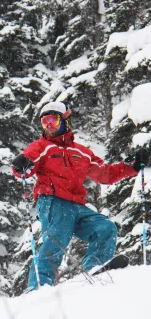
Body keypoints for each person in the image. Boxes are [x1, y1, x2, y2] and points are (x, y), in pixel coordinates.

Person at [11, 101, 149, 291]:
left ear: (65, 121)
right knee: (57, 240)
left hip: (77, 206)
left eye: (53, 120)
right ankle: (39, 288)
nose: (49, 126)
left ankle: (93, 270)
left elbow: (106, 174)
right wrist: (21, 166)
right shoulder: (42, 146)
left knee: (105, 228)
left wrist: (132, 167)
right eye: (45, 122)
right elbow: (27, 167)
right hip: (53, 200)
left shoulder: (81, 152)